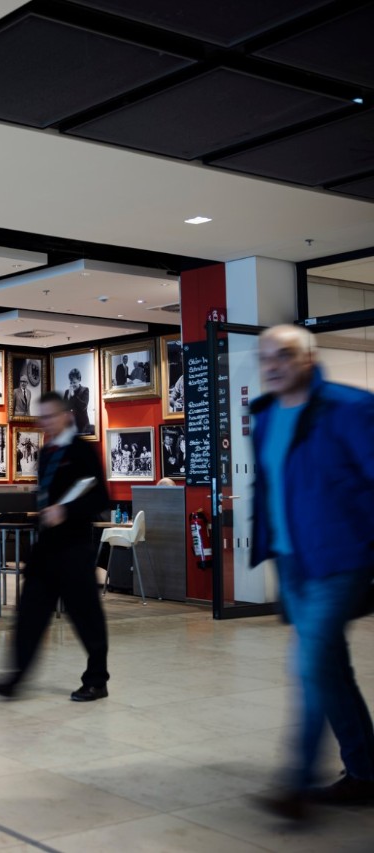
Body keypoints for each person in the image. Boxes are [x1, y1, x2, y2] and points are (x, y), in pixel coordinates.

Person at [250, 325, 374, 820]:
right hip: (293, 561)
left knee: (309, 665)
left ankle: (296, 784)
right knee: (330, 670)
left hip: (341, 560)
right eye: (266, 357)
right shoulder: (265, 415)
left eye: (284, 355)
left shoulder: (349, 408)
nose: (273, 365)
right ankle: (365, 773)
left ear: (309, 358)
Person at [0, 391, 110, 702]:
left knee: (86, 616)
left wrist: (65, 510)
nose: (45, 423)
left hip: (74, 549)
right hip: (47, 550)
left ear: (66, 416)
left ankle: (97, 680)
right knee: (29, 614)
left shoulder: (82, 451)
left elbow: (100, 498)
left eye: (50, 416)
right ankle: (14, 678)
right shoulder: (47, 453)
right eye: (42, 417)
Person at [64, 368, 91, 435]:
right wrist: (68, 397)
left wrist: (73, 396)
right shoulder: (67, 392)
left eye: (74, 382)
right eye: (71, 382)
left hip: (83, 426)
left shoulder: (85, 390)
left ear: (79, 380)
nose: (72, 385)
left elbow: (83, 406)